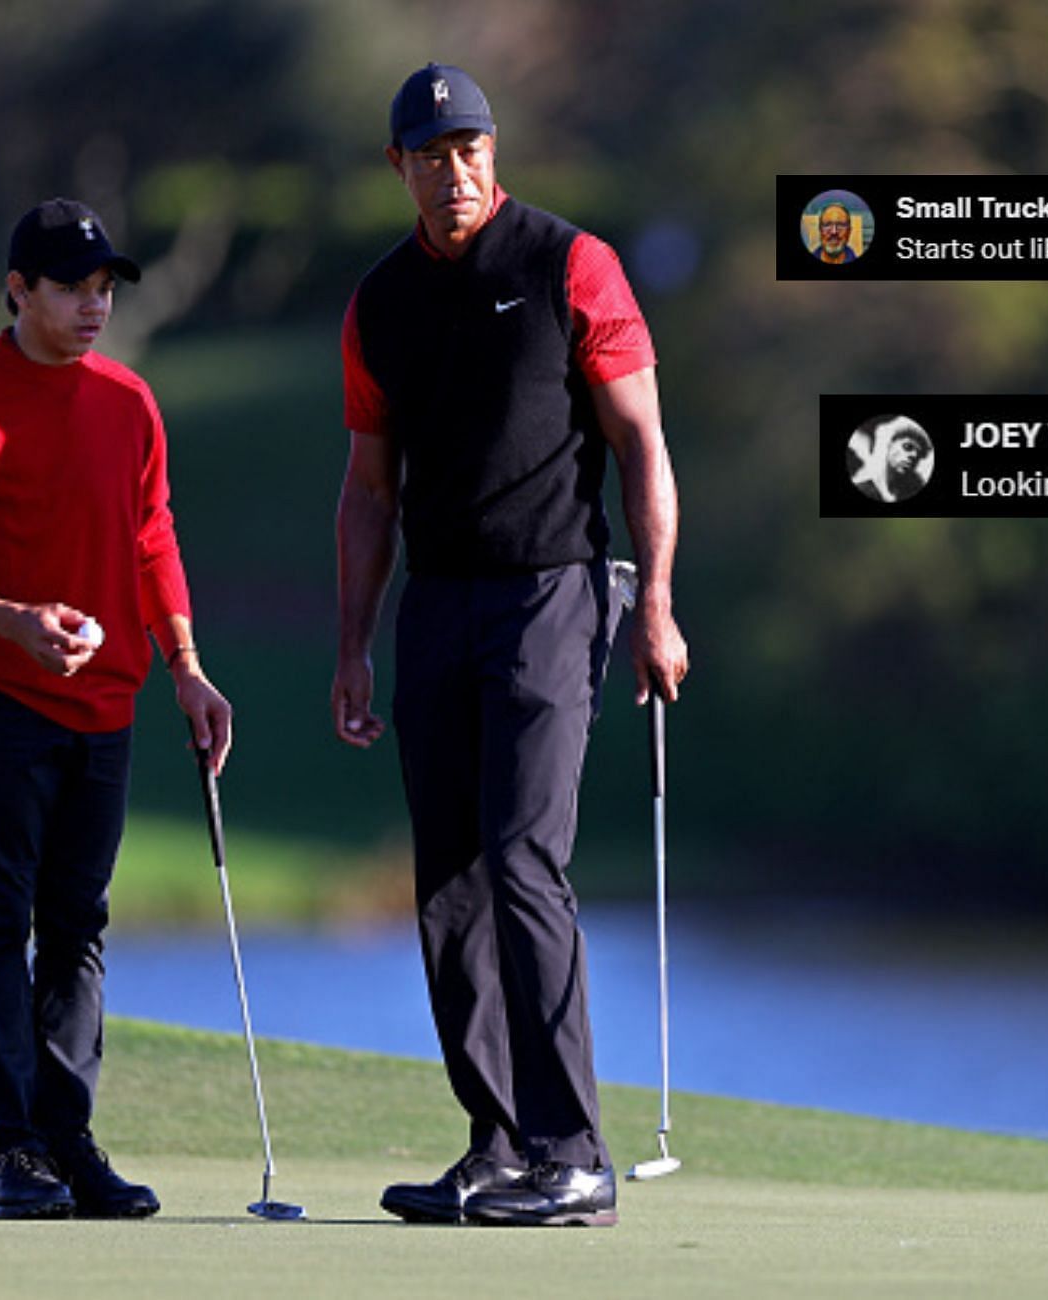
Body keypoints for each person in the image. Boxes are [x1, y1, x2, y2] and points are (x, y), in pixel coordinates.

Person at [332, 63, 689, 1229]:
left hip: (554, 596)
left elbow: (640, 444)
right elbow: (370, 491)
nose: (454, 172)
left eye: (471, 149)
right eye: (430, 155)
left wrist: (657, 604)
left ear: (496, 151)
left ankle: (573, 1151)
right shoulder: (379, 304)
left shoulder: (568, 264)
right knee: (448, 881)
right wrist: (353, 643)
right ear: (400, 167)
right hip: (438, 602)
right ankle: (496, 1142)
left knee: (525, 859)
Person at [0, 198, 233, 1220]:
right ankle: (14, 1150)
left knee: (78, 925)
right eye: (72, 289)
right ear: (17, 290)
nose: (94, 307)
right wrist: (7, 618)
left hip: (110, 705)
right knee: (1, 920)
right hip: (5, 699)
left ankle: (69, 1137)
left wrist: (186, 665)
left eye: (104, 290)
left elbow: (151, 537)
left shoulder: (129, 403)